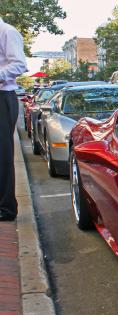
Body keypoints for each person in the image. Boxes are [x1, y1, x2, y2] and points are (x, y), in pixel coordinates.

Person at [0, 17, 28, 221]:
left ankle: (6, 208)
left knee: (2, 155)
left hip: (3, 97)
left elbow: (19, 64)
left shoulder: (7, 32)